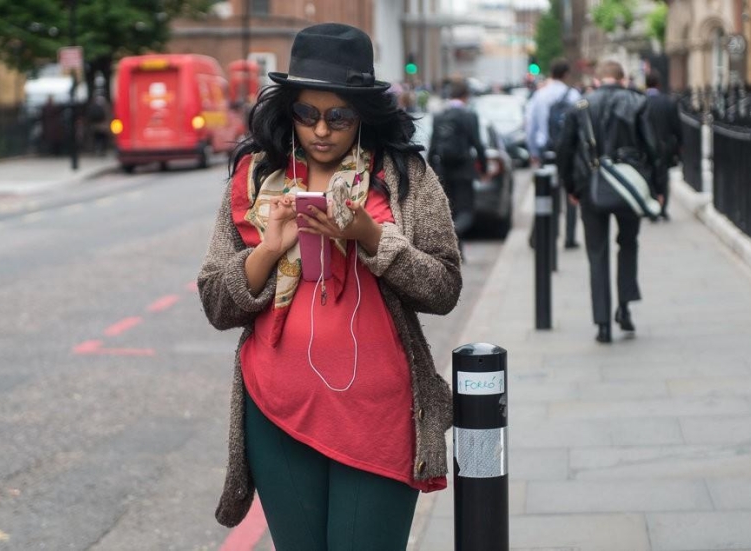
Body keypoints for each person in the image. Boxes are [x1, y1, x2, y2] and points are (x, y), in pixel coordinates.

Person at [197, 23, 462, 550]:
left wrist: (370, 236)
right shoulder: (255, 177)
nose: (321, 130)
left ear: (363, 114)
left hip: (378, 412)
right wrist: (269, 248)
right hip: (276, 411)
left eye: (338, 116)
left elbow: (444, 288)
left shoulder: (404, 175)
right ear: (288, 110)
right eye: (307, 114)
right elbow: (216, 303)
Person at [556, 60, 665, 343]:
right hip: (629, 186)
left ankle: (602, 324)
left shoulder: (580, 106)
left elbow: (564, 151)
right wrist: (657, 187)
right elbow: (654, 148)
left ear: (597, 80)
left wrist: (571, 187)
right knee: (628, 244)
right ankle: (625, 308)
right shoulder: (638, 102)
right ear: (623, 79)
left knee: (597, 252)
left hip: (590, 187)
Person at [525, 58, 582, 249]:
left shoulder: (540, 95)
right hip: (569, 152)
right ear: (566, 74)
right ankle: (570, 238)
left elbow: (530, 126)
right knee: (571, 192)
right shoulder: (573, 95)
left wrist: (533, 151)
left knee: (546, 193)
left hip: (546, 151)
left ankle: (546, 235)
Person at [427, 78, 486, 257]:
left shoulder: (439, 116)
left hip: (443, 171)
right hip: (464, 171)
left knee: (450, 212)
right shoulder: (469, 116)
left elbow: (433, 147)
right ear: (466, 96)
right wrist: (483, 168)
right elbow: (477, 144)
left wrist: (430, 173)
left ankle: (457, 254)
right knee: (466, 212)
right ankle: (452, 237)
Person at [644, 69, 682, 221]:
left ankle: (652, 205)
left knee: (649, 176)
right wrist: (680, 143)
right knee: (664, 177)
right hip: (664, 146)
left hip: (645, 146)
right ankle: (662, 208)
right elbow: (676, 126)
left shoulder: (641, 101)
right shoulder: (667, 102)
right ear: (658, 84)